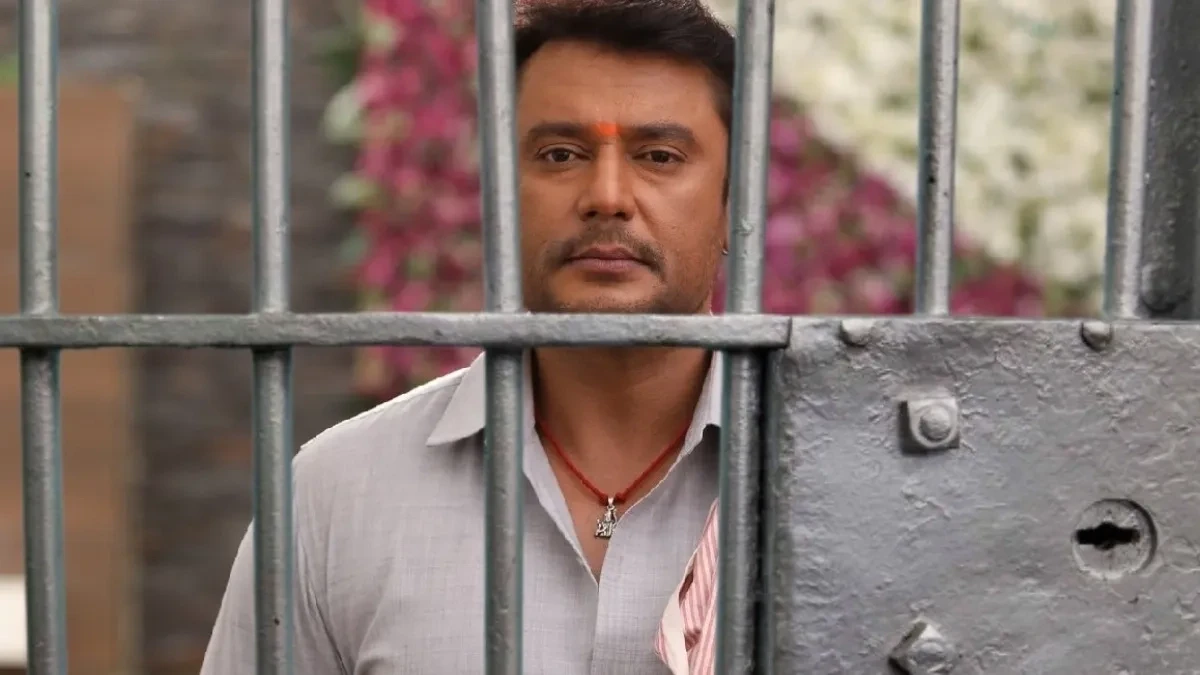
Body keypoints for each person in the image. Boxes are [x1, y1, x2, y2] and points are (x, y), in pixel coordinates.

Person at [200, 0, 736, 672]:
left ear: (733, 204)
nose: (607, 195)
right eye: (560, 154)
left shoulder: (829, 477)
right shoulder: (335, 493)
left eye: (658, 155)